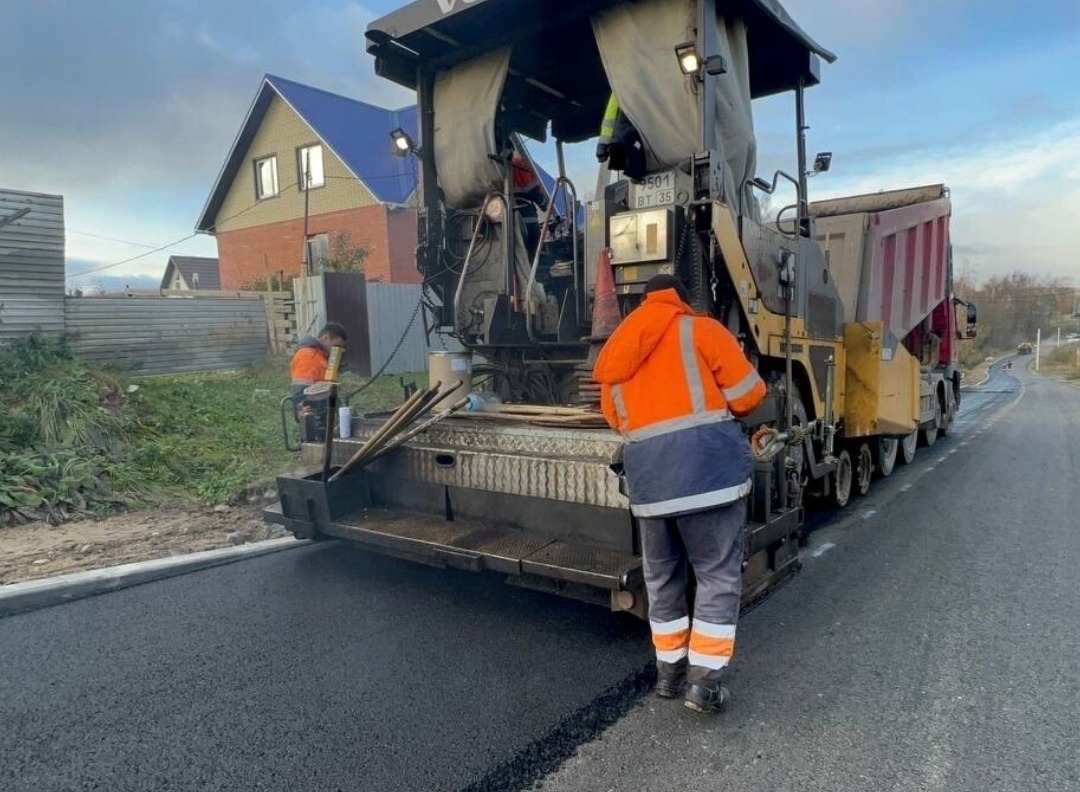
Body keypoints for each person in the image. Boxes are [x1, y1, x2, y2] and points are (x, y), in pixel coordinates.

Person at [593, 274, 766, 714]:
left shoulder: (618, 350)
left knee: (662, 578)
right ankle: (705, 684)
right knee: (716, 574)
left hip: (650, 484)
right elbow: (750, 395)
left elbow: (616, 418)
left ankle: (668, 675)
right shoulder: (701, 330)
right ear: (681, 300)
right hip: (707, 476)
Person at [290, 322, 348, 409]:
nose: (338, 351)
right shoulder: (308, 356)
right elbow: (300, 393)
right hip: (313, 411)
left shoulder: (321, 356)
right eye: (336, 346)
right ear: (326, 338)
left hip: (323, 408)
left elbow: (326, 386)